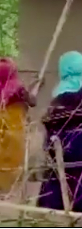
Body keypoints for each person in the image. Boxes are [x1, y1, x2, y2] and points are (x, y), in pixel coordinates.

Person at [38, 51, 82, 212]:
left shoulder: (59, 93)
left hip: (62, 141)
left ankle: (56, 203)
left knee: (60, 171)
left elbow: (52, 119)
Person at [0, 58, 36, 193]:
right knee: (12, 156)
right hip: (14, 131)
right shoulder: (17, 89)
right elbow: (32, 101)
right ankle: (8, 189)